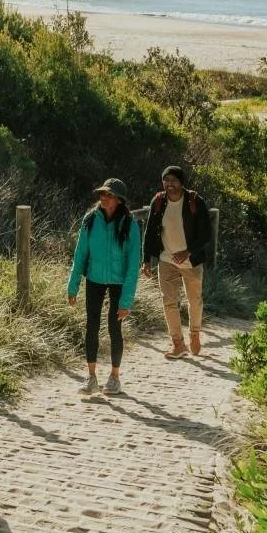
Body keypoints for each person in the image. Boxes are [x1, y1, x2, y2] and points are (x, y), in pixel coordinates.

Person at [66, 177, 142, 395]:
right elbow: (80, 254)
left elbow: (132, 266)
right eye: (102, 194)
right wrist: (73, 285)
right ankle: (90, 377)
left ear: (119, 199)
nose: (103, 198)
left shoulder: (129, 224)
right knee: (91, 325)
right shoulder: (90, 220)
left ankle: (114, 377)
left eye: (108, 195)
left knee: (114, 328)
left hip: (119, 282)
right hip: (94, 279)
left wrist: (126, 300)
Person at [142, 164, 214, 357]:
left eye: (174, 180)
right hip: (166, 260)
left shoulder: (195, 201)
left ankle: (195, 334)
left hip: (191, 261)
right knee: (169, 302)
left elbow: (206, 233)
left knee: (194, 300)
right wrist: (146, 260)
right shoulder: (159, 201)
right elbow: (149, 232)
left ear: (182, 182)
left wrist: (188, 251)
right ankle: (178, 343)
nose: (169, 184)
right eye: (166, 180)